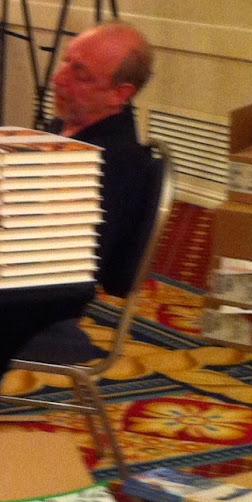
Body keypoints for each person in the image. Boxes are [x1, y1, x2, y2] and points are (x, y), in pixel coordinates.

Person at [48, 21, 157, 297]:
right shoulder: (62, 126)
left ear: (119, 94)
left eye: (80, 75)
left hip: (45, 295)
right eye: (65, 62)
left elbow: (75, 266)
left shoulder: (117, 162)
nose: (57, 79)